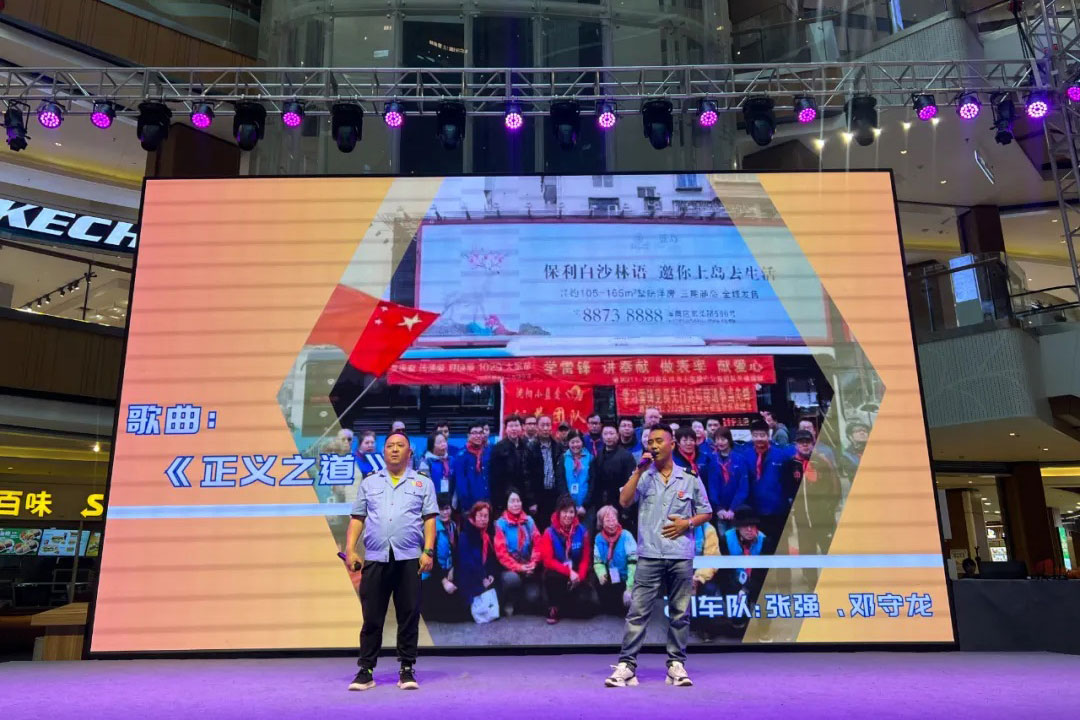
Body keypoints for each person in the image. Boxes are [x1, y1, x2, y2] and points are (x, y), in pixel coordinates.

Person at [605, 426, 712, 689]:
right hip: (649, 554)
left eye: (658, 441)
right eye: (650, 442)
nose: (653, 446)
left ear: (672, 444)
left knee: (680, 613)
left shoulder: (689, 477)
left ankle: (676, 665)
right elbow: (624, 501)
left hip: (680, 555)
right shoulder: (643, 475)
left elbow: (706, 511)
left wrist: (687, 523)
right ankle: (627, 666)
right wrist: (638, 470)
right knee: (638, 612)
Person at [346, 432, 437, 692]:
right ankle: (366, 670)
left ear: (410, 452)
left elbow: (430, 519)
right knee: (372, 617)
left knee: (408, 615)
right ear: (383, 452)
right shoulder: (370, 482)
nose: (394, 449)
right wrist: (351, 550)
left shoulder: (423, 483)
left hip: (409, 558)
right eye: (389, 446)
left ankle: (407, 668)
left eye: (400, 445)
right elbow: (357, 518)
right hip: (376, 558)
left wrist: (428, 551)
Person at [785, 429, 842, 571]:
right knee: (807, 552)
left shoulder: (823, 461)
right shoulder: (790, 464)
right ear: (796, 444)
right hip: (802, 519)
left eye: (808, 442)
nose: (805, 445)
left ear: (813, 443)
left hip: (824, 518)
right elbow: (787, 488)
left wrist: (830, 507)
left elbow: (835, 485)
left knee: (829, 550)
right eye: (801, 442)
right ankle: (810, 580)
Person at [539, 494, 596, 624]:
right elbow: (548, 561)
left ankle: (564, 606)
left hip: (576, 573)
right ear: (558, 513)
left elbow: (585, 559)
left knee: (587, 608)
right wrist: (569, 572)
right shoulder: (549, 532)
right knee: (551, 576)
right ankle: (554, 607)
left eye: (571, 512)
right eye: (564, 512)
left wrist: (579, 577)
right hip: (557, 573)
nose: (568, 515)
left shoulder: (582, 531)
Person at [742, 419, 795, 554]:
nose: (759, 438)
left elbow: (788, 483)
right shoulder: (745, 456)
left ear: (768, 435)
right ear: (751, 436)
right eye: (756, 435)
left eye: (762, 435)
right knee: (759, 548)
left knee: (781, 546)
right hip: (755, 511)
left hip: (778, 511)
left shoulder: (781, 455)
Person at [718, 505, 768, 636]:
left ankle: (764, 629)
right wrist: (737, 588)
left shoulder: (764, 541)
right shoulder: (726, 539)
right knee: (731, 593)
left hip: (755, 580)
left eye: (752, 526)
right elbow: (724, 571)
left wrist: (747, 588)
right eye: (745, 526)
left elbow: (763, 572)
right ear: (738, 527)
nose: (749, 530)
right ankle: (738, 621)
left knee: (764, 591)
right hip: (733, 580)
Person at [493, 489, 542, 616]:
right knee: (512, 580)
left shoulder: (529, 521)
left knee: (534, 597)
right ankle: (509, 601)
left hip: (528, 566)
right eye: (512, 501)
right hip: (510, 569)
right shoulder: (501, 524)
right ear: (507, 504)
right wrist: (519, 568)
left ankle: (521, 602)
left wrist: (533, 563)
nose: (516, 504)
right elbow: (501, 554)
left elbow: (538, 544)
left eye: (518, 501)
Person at [420, 494, 466, 622]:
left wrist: (452, 569)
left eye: (447, 508)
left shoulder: (453, 526)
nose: (445, 512)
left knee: (462, 609)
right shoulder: (430, 528)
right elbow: (430, 559)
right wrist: (444, 581)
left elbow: (455, 552)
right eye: (441, 509)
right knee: (448, 615)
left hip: (447, 571)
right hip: (432, 574)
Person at [590, 421, 638, 532]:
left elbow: (631, 482)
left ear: (617, 435)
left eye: (611, 433)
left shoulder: (626, 456)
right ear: (602, 436)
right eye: (605, 434)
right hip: (602, 504)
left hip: (620, 504)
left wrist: (626, 510)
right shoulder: (599, 455)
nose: (608, 437)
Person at [456, 501, 500, 622]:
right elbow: (467, 563)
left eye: (486, 516)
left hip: (483, 575)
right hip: (470, 578)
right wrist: (482, 578)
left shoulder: (486, 535)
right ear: (473, 516)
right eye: (480, 516)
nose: (483, 519)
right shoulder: (465, 535)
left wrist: (490, 574)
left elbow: (490, 558)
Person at [593, 505, 637, 615]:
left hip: (628, 578)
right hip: (612, 577)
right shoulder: (598, 538)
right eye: (608, 520)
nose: (612, 523)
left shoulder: (626, 536)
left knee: (627, 608)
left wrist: (629, 588)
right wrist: (601, 574)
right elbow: (598, 562)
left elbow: (633, 563)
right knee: (609, 607)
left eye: (614, 519)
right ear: (601, 523)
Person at [526, 415, 566, 527]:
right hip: (538, 495)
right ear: (537, 427)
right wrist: (531, 501)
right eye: (542, 425)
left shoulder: (557, 446)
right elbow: (527, 476)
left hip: (554, 495)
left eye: (548, 425)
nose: (545, 428)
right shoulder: (530, 448)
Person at [709, 428, 750, 531]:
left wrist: (733, 509)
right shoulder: (712, 460)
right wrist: (718, 508)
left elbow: (743, 487)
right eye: (717, 439)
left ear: (729, 440)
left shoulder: (740, 459)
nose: (720, 442)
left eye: (723, 439)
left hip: (737, 510)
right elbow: (712, 487)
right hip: (719, 512)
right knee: (722, 539)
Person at [490, 414, 529, 516]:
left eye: (516, 425)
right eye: (511, 426)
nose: (514, 429)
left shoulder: (526, 445)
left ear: (521, 427)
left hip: (524, 496)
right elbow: (496, 478)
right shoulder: (498, 448)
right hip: (505, 497)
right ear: (506, 429)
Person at [672, 427, 720, 500]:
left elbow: (712, 482)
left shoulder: (704, 458)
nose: (689, 443)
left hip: (703, 497)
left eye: (691, 440)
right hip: (680, 498)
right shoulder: (672, 459)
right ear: (678, 442)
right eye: (685, 440)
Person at [453, 423, 491, 513]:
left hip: (488, 503)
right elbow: (461, 483)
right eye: (474, 433)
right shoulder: (461, 455)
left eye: (480, 433)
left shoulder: (488, 452)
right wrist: (467, 505)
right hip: (470, 506)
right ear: (468, 435)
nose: (478, 436)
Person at [559, 430, 593, 522]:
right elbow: (561, 481)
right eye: (572, 442)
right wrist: (568, 504)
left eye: (578, 442)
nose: (575, 445)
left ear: (582, 442)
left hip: (586, 507)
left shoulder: (590, 458)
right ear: (568, 443)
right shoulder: (563, 458)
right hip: (568, 506)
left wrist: (585, 505)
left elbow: (593, 482)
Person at [419, 433, 454, 498]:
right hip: (432, 499)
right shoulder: (426, 462)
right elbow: (424, 484)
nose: (443, 444)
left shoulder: (451, 460)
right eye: (439, 442)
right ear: (432, 446)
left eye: (444, 441)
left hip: (450, 498)